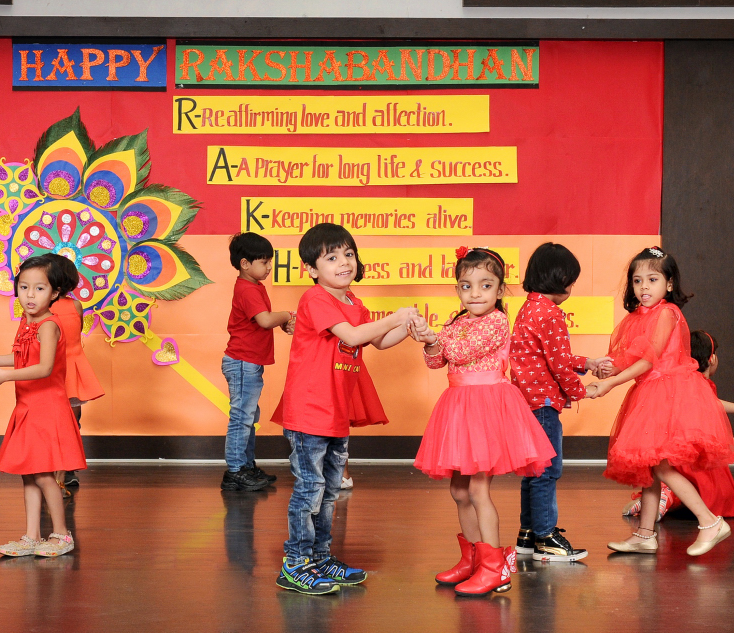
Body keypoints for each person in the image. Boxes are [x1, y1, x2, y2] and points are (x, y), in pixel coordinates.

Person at [271, 223, 416, 595]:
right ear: (312, 269)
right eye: (331, 257)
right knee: (311, 488)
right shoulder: (315, 298)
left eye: (348, 254)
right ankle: (295, 563)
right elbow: (352, 337)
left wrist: (409, 325)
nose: (343, 262)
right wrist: (396, 316)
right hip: (309, 410)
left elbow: (379, 340)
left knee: (330, 489)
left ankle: (320, 558)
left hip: (335, 412)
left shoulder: (354, 303)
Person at [409, 247, 556, 596]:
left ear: (500, 290)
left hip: (485, 408)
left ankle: (496, 567)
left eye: (485, 285)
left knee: (477, 488)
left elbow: (458, 353)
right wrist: (431, 344)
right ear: (457, 288)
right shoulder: (458, 321)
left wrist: (433, 337)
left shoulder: (497, 321)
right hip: (459, 406)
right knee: (459, 489)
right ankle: (473, 558)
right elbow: (436, 362)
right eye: (466, 285)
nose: (475, 293)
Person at [589, 247, 734, 557]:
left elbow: (649, 359)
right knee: (650, 465)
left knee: (659, 465)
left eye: (653, 279)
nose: (644, 287)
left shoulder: (668, 312)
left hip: (668, 393)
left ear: (669, 284)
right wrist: (607, 367)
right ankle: (645, 534)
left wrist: (610, 382)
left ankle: (710, 522)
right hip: (650, 393)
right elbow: (628, 356)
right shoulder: (637, 318)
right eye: (637, 280)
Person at [0, 255, 86, 558]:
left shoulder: (49, 326)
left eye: (39, 288)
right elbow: (21, 359)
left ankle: (62, 535)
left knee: (42, 473)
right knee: (28, 473)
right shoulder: (26, 324)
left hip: (46, 408)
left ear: (54, 293)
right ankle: (31, 536)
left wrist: (3, 376)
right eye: (24, 287)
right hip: (27, 405)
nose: (29, 295)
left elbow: (44, 368)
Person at [509, 242, 609, 562]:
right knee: (547, 471)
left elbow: (552, 356)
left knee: (533, 471)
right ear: (558, 278)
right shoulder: (550, 312)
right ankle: (546, 537)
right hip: (542, 406)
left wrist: (587, 362)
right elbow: (558, 365)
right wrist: (583, 391)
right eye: (570, 279)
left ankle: (528, 533)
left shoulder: (529, 308)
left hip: (525, 403)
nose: (571, 287)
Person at [621, 330, 734, 520]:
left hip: (673, 454)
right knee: (724, 501)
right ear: (712, 359)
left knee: (670, 474)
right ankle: (670, 496)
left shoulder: (676, 383)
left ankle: (665, 496)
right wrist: (732, 438)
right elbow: (703, 419)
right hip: (691, 456)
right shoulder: (698, 385)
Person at [222, 232, 293, 492]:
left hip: (247, 362)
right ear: (245, 264)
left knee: (248, 417)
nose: (269, 267)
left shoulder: (253, 287)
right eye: (264, 262)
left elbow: (262, 319)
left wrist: (282, 321)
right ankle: (235, 471)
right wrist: (288, 314)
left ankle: (246, 466)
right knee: (242, 417)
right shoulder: (247, 289)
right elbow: (264, 320)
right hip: (242, 362)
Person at [41, 254, 105, 494]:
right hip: (72, 368)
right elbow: (76, 332)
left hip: (52, 369)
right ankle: (68, 471)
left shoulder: (42, 307)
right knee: (72, 422)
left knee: (52, 423)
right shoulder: (76, 305)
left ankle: (53, 471)